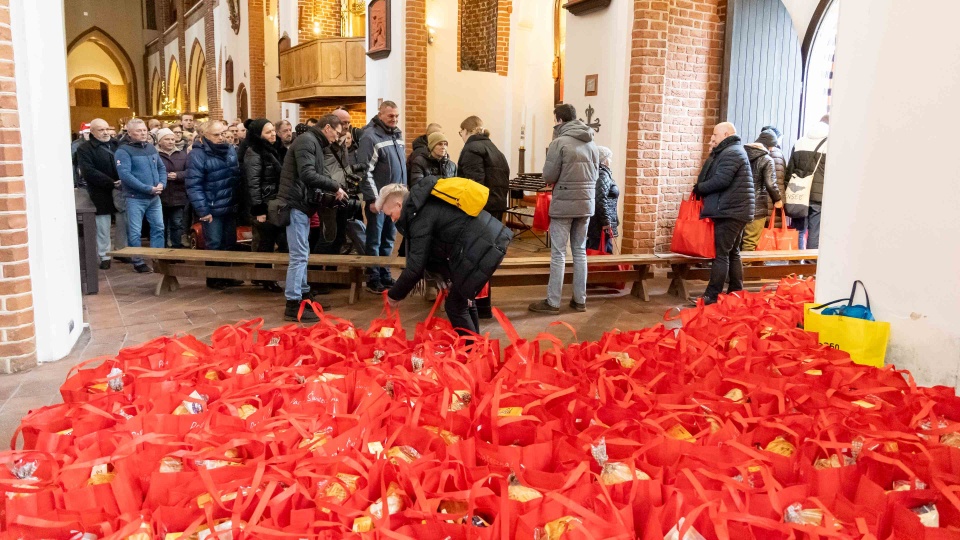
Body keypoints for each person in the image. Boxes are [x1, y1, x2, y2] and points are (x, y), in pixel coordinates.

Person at [384, 180, 512, 336]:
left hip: (479, 246)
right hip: (483, 242)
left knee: (455, 305)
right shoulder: (422, 205)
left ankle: (472, 352)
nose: (392, 219)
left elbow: (415, 267)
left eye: (390, 214)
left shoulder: (419, 216)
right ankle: (475, 350)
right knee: (463, 300)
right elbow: (438, 249)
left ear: (399, 205)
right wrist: (447, 278)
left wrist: (394, 294)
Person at [529, 104, 599, 315]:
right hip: (586, 204)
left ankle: (553, 302)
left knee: (558, 253)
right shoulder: (592, 143)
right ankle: (580, 300)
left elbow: (549, 176)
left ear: (559, 120)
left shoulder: (559, 143)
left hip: (565, 204)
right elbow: (596, 175)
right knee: (579, 252)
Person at [278, 114, 347, 321]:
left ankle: (305, 296)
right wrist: (335, 186)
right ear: (327, 128)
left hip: (302, 205)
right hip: (295, 205)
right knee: (299, 256)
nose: (336, 137)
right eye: (336, 133)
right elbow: (307, 174)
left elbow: (316, 173)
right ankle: (293, 304)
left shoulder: (313, 141)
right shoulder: (307, 141)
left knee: (303, 253)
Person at [691, 122, 755, 305]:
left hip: (730, 211)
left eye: (715, 135)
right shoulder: (732, 151)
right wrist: (713, 150)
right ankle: (736, 291)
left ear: (726, 134)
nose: (713, 138)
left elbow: (721, 180)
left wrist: (699, 188)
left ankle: (712, 295)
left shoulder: (732, 152)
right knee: (732, 252)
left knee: (721, 254)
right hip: (736, 210)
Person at [457, 116, 510, 318]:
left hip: (480, 211)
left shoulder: (472, 149)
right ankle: (483, 306)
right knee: (487, 258)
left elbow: (473, 185)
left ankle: (475, 307)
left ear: (467, 130)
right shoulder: (495, 150)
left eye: (460, 132)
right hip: (495, 209)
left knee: (474, 259)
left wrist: (466, 211)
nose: (460, 136)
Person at [186, 119, 243, 290]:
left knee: (229, 242)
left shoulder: (230, 149)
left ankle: (227, 275)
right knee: (214, 243)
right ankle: (214, 278)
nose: (222, 138)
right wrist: (203, 210)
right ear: (204, 136)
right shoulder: (197, 155)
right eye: (217, 135)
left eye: (223, 133)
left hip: (230, 205)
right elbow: (193, 185)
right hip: (211, 208)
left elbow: (235, 176)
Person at [357, 100, 406, 293]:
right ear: (380, 115)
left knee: (389, 239)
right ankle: (373, 276)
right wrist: (372, 199)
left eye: (396, 116)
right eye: (390, 116)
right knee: (375, 239)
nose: (394, 119)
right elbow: (365, 171)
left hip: (395, 200)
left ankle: (385, 274)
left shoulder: (398, 135)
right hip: (378, 199)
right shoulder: (370, 137)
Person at [115, 118, 166, 273]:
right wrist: (147, 188)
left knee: (158, 227)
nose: (143, 133)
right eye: (139, 131)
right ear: (129, 133)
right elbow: (125, 175)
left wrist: (162, 183)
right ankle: (138, 261)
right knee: (135, 232)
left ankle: (158, 258)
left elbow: (161, 168)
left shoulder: (151, 148)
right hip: (134, 198)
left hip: (154, 197)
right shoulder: (123, 151)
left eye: (144, 130)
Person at [244, 119, 286, 293]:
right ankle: (265, 278)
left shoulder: (276, 149)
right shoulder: (254, 152)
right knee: (265, 243)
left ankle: (265, 277)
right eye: (268, 132)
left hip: (275, 202)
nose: (273, 134)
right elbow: (253, 183)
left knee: (273, 241)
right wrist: (259, 210)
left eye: (273, 131)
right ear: (258, 134)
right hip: (264, 204)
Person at [77, 118, 121, 269]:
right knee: (103, 225)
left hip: (121, 189)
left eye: (107, 129)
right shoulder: (84, 148)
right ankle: (104, 255)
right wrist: (111, 182)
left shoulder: (117, 144)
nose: (105, 132)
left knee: (123, 223)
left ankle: (123, 251)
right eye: (101, 130)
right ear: (92, 132)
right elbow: (88, 171)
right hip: (100, 190)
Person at [786, 114, 829, 249]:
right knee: (814, 233)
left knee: (798, 231)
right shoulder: (830, 143)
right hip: (818, 195)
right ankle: (810, 267)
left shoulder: (800, 142)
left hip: (799, 194)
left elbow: (790, 170)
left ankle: (795, 264)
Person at [741, 131, 782, 251]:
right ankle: (745, 269)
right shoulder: (767, 159)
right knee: (750, 243)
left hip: (737, 205)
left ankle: (734, 269)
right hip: (756, 207)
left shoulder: (741, 154)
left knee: (736, 243)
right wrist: (777, 199)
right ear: (769, 145)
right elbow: (771, 183)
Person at [155, 128, 189, 249]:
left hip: (178, 195)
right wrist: (162, 178)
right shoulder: (154, 155)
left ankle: (176, 248)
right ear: (159, 141)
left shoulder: (182, 155)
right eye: (167, 139)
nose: (171, 142)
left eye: (172, 139)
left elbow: (190, 171)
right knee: (161, 225)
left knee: (177, 224)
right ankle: (162, 249)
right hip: (160, 195)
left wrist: (178, 175)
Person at [586, 146, 620, 254]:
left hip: (597, 221)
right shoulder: (602, 174)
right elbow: (599, 199)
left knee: (597, 249)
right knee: (600, 251)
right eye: (609, 158)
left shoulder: (596, 172)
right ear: (604, 159)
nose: (611, 161)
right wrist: (606, 222)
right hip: (600, 223)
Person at [72, 123, 91, 187]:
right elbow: (73, 163)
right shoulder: (76, 145)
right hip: (81, 179)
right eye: (87, 133)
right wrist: (75, 182)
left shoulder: (96, 143)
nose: (89, 135)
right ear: (83, 133)